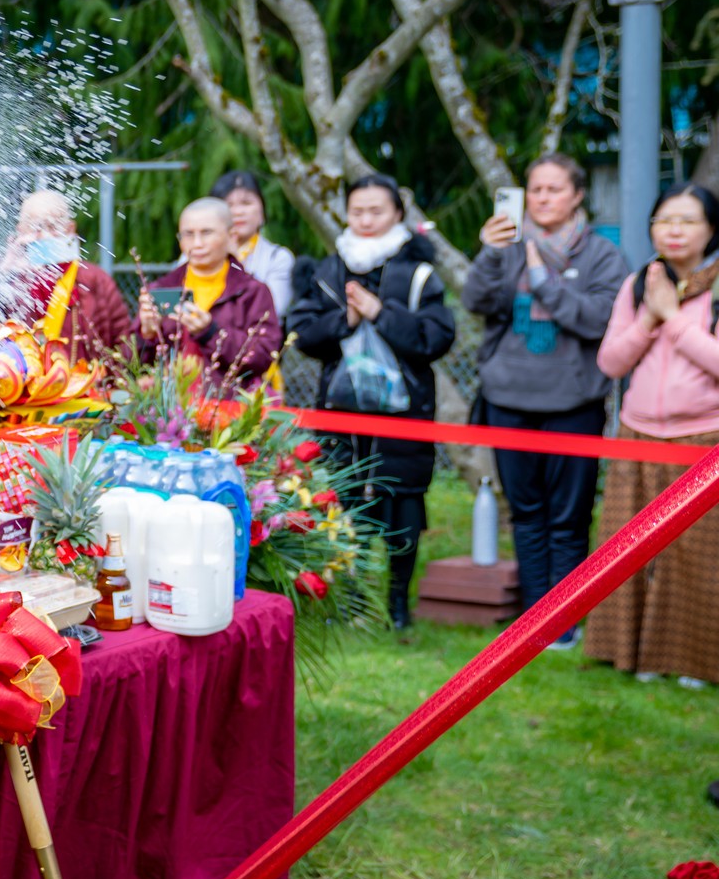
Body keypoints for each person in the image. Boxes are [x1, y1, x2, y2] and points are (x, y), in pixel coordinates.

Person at [462, 154, 625, 648]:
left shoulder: (601, 255)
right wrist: (491, 253)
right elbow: (476, 301)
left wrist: (544, 282)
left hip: (573, 403)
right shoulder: (509, 246)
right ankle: (535, 619)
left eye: (555, 189)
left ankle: (565, 621)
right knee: (526, 512)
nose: (543, 198)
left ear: (577, 195)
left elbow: (599, 319)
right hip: (508, 398)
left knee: (569, 516)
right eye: (535, 189)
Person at [286, 173, 456, 631]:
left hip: (404, 416)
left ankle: (398, 603)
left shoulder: (418, 273)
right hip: (340, 415)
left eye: (376, 211)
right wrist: (345, 319)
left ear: (397, 213)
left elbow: (437, 337)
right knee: (341, 505)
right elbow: (302, 333)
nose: (365, 220)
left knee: (403, 508)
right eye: (357, 211)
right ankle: (351, 599)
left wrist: (382, 314)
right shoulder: (328, 269)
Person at [588, 182, 719, 689]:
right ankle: (628, 652)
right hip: (637, 433)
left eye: (687, 220)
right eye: (664, 220)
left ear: (711, 229)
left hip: (703, 438)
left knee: (697, 556)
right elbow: (610, 362)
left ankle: (695, 662)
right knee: (628, 548)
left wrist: (674, 320)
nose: (674, 230)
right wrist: (649, 315)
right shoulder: (639, 283)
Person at [0, 189, 133, 355]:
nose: (43, 236)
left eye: (52, 227)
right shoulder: (2, 270)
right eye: (35, 228)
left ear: (70, 230)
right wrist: (5, 271)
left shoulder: (93, 278)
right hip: (16, 379)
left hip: (77, 379)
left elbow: (125, 345)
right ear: (21, 231)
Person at [136, 196, 282, 388]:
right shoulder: (161, 289)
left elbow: (263, 357)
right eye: (188, 234)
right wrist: (146, 334)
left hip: (230, 400)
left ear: (231, 236)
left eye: (206, 233)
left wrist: (211, 333)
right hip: (170, 402)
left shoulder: (251, 292)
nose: (197, 244)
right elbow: (131, 364)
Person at [210, 169, 296, 317]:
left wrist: (233, 262)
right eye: (229, 204)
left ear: (262, 212)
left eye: (246, 203)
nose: (238, 212)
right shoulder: (194, 254)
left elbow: (272, 310)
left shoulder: (278, 258)